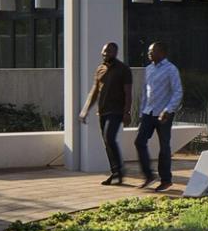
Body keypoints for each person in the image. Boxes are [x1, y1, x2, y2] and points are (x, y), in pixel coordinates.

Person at [77, 40, 132, 185]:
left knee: (109, 138)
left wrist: (127, 112)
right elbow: (94, 91)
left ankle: (119, 171)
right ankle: (116, 173)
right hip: (102, 111)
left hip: (117, 111)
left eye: (109, 51)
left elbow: (128, 92)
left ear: (115, 53)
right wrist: (85, 110)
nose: (105, 53)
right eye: (104, 51)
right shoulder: (100, 69)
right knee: (107, 142)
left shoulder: (124, 69)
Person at [134, 40, 183, 191]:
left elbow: (178, 92)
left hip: (164, 114)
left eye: (152, 51)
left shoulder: (171, 69)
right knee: (139, 142)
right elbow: (145, 92)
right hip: (149, 112)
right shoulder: (148, 69)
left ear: (161, 53)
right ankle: (149, 175)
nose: (149, 53)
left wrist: (168, 110)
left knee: (164, 146)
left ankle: (166, 180)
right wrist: (142, 112)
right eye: (149, 51)